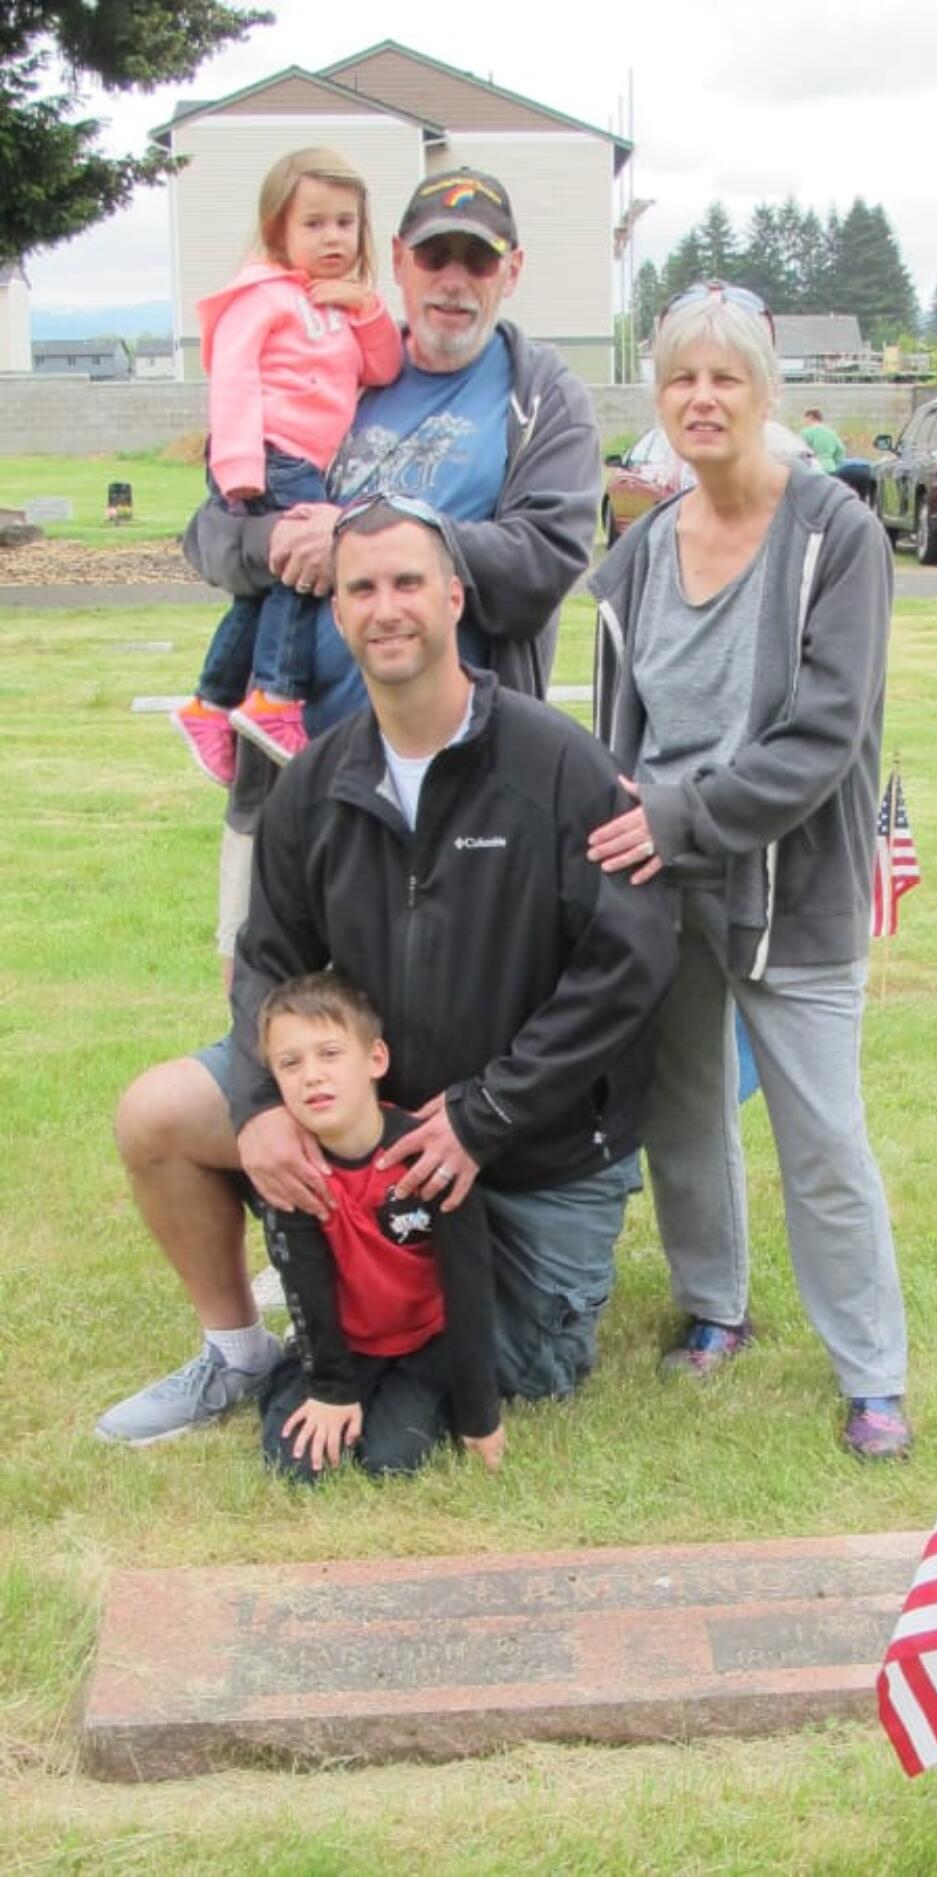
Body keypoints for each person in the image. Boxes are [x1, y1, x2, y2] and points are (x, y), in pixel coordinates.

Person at [97, 497, 676, 1446]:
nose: (386, 607)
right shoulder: (315, 785)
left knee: (522, 1376)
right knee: (156, 1115)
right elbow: (267, 964)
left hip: (529, 1147)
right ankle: (242, 1349)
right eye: (361, 587)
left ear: (455, 598)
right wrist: (260, 1110)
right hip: (369, 1124)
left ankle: (364, 1281)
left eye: (408, 582)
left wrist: (488, 1112)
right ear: (337, 613)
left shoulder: (559, 766)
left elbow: (632, 960)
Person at [587, 282, 911, 1460]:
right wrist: (625, 844)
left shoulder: (836, 536)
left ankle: (871, 1373)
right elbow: (614, 736)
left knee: (821, 1133)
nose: (703, 397)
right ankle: (714, 1304)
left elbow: (823, 741)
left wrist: (677, 816)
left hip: (793, 884)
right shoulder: (630, 559)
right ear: (658, 398)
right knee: (682, 1111)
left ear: (767, 394)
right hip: (662, 884)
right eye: (681, 377)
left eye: (727, 377)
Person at [184, 164, 603, 971]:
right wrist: (271, 544)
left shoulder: (542, 397)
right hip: (295, 777)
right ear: (399, 258)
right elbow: (209, 537)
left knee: (450, 1036)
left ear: (511, 272)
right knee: (285, 1041)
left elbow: (542, 563)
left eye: (477, 261)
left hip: (468, 797)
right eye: (434, 256)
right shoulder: (329, 362)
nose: (453, 282)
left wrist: (361, 536)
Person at [173, 149, 403, 783]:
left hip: (305, 462)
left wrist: (365, 306)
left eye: (344, 223)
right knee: (309, 568)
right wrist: (239, 465)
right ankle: (275, 694)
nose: (332, 237)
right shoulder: (263, 297)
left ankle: (212, 701)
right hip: (271, 455)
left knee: (273, 581)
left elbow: (382, 367)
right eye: (314, 224)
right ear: (279, 230)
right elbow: (234, 380)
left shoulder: (337, 305)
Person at [256, 971, 504, 1482]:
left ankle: (417, 1402)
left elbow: (470, 1286)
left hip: (423, 1345)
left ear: (375, 1059)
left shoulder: (429, 1152)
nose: (312, 1076)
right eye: (290, 1063)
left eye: (329, 1054)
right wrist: (331, 1390)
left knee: (393, 1462)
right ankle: (299, 1382)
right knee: (297, 1467)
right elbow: (305, 1286)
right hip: (344, 1343)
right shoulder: (290, 1170)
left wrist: (481, 1416)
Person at [799, 406, 846, 475]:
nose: (805, 421)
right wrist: (834, 462)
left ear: (810, 417)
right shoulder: (831, 432)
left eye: (805, 418)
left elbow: (801, 451)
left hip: (813, 468)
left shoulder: (805, 432)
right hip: (830, 467)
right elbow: (841, 449)